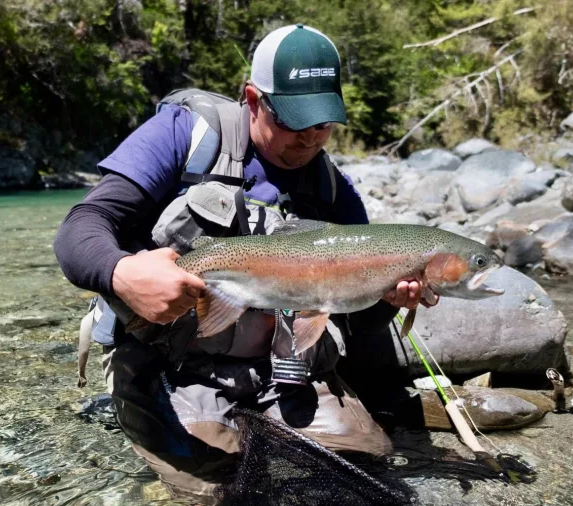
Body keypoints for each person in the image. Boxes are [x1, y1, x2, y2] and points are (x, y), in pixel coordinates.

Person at [54, 24, 436, 502]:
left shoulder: (333, 190)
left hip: (285, 371)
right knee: (221, 491)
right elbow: (82, 226)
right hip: (172, 363)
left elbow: (357, 315)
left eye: (323, 124)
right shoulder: (185, 133)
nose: (311, 139)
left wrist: (387, 296)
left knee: (363, 471)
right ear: (253, 98)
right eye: (295, 122)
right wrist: (121, 272)